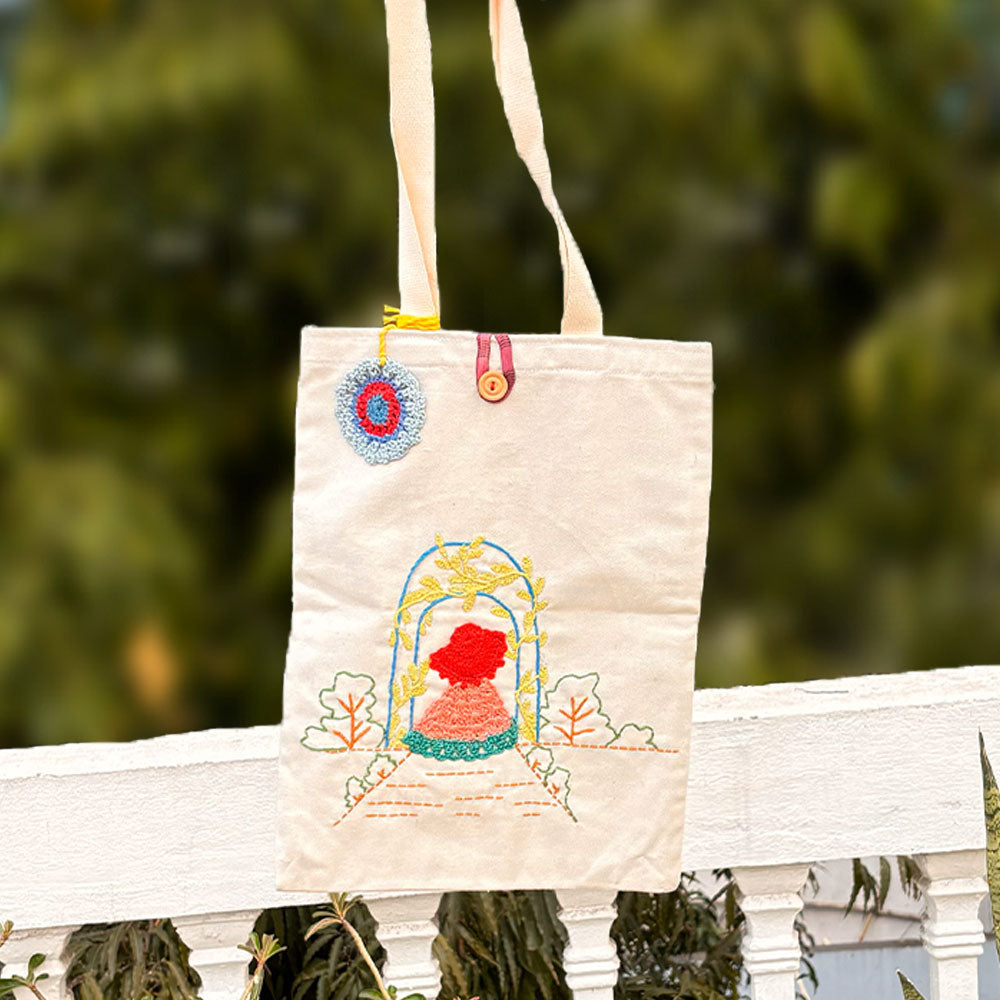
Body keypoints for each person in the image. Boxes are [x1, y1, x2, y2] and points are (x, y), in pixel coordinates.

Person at [403, 622, 518, 760]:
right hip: (470, 692)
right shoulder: (483, 688)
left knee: (455, 717)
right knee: (469, 716)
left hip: (469, 692)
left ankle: (456, 740)